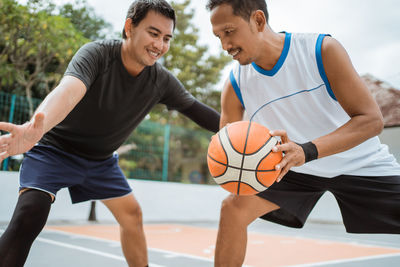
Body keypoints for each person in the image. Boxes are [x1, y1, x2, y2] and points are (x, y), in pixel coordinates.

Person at [0, 0, 221, 266]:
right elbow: (69, 91)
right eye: (153, 33)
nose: (160, 45)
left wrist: (241, 132)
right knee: (30, 213)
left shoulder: (161, 81)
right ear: (129, 27)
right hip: (55, 150)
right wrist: (36, 128)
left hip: (101, 162)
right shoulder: (97, 54)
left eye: (166, 38)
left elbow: (199, 111)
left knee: (132, 215)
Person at [206, 0, 400, 266]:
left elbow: (371, 121)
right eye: (218, 36)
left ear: (259, 21)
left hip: (359, 163)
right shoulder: (235, 84)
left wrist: (306, 151)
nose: (224, 45)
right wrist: (227, 164)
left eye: (229, 31)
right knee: (233, 208)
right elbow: (228, 148)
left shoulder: (320, 51)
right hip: (292, 169)